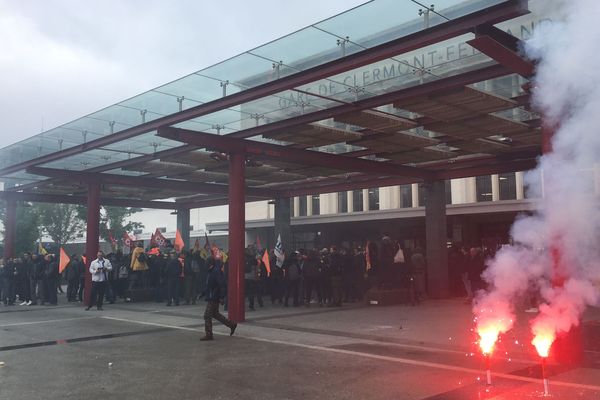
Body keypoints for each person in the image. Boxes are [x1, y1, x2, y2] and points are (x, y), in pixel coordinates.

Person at [200, 256, 237, 341]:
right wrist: (203, 293)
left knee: (207, 315)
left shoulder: (216, 272)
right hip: (212, 295)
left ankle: (209, 334)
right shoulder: (211, 271)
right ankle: (232, 324)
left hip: (214, 296)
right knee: (215, 314)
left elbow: (222, 285)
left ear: (210, 263)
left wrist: (221, 296)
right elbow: (209, 285)